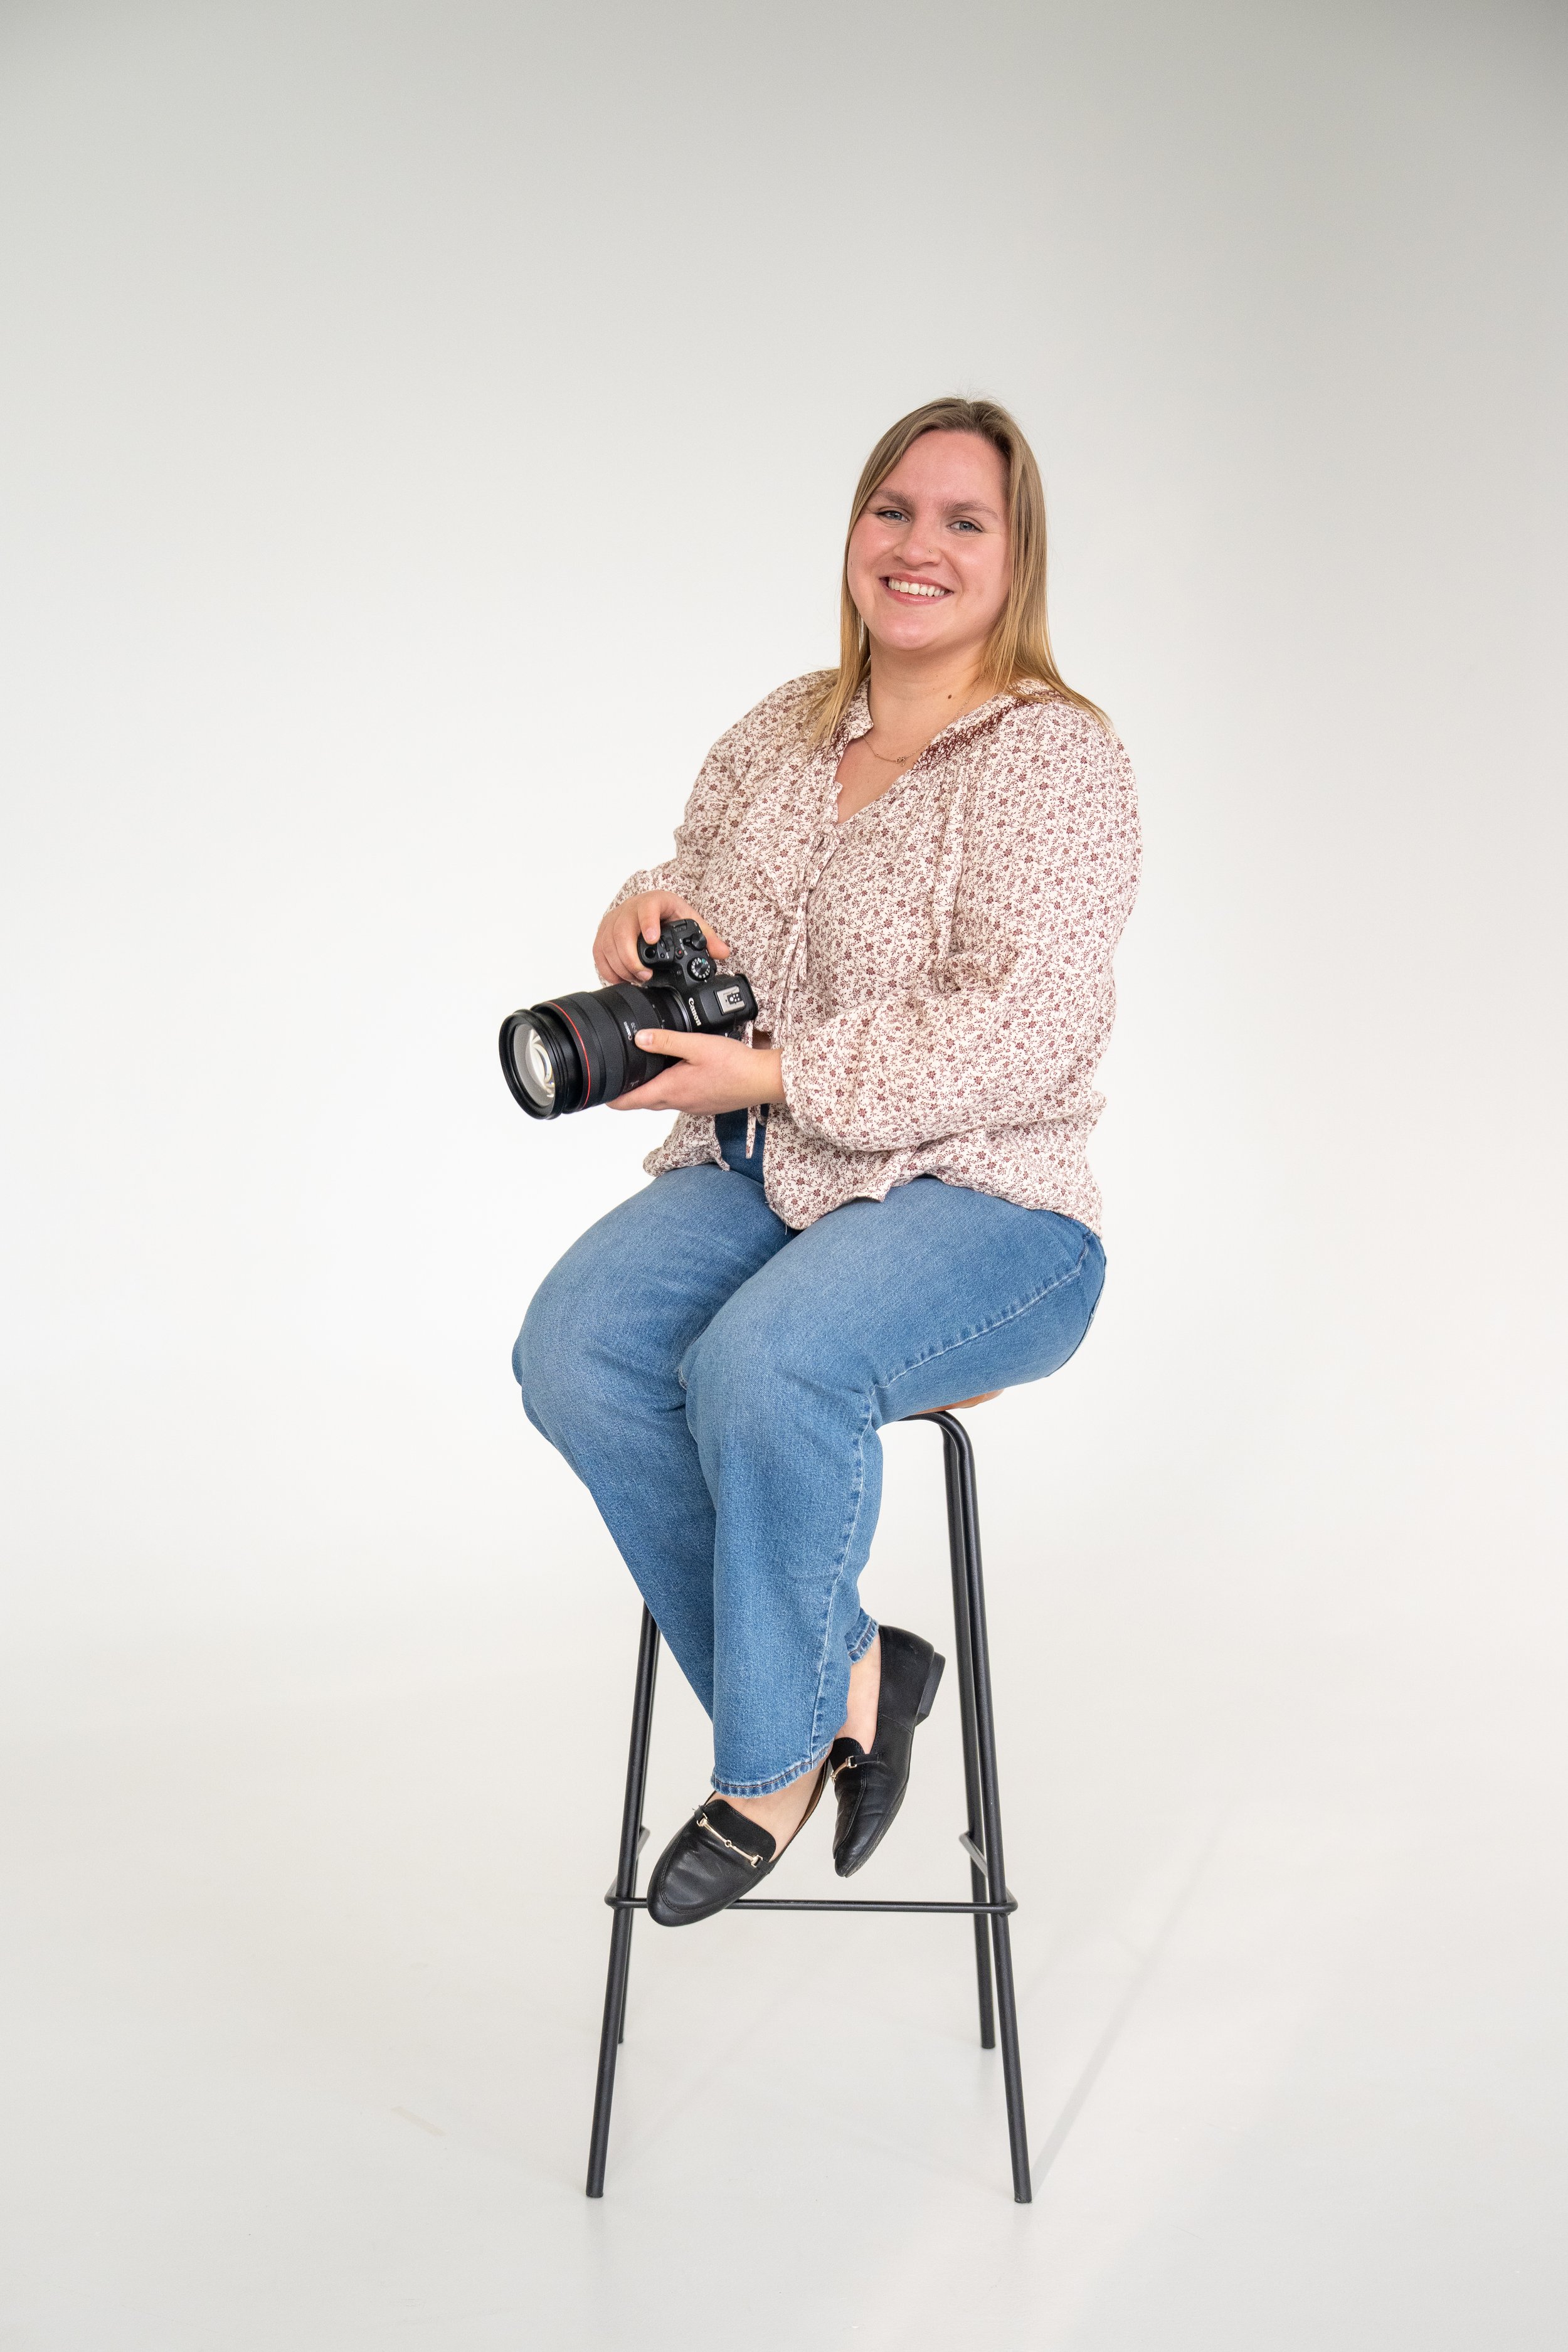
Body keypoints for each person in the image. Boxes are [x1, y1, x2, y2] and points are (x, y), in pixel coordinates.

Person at [514, 396, 1140, 1927]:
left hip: (985, 1199)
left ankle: (769, 1767)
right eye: (892, 512)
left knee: (763, 1367)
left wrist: (785, 1070)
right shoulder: (784, 728)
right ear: (853, 534)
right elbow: (695, 884)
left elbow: (1031, 1026)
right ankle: (861, 1664)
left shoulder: (1054, 760)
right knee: (576, 1352)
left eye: (961, 521)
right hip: (761, 1167)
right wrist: (638, 911)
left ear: (1014, 558)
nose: (916, 545)